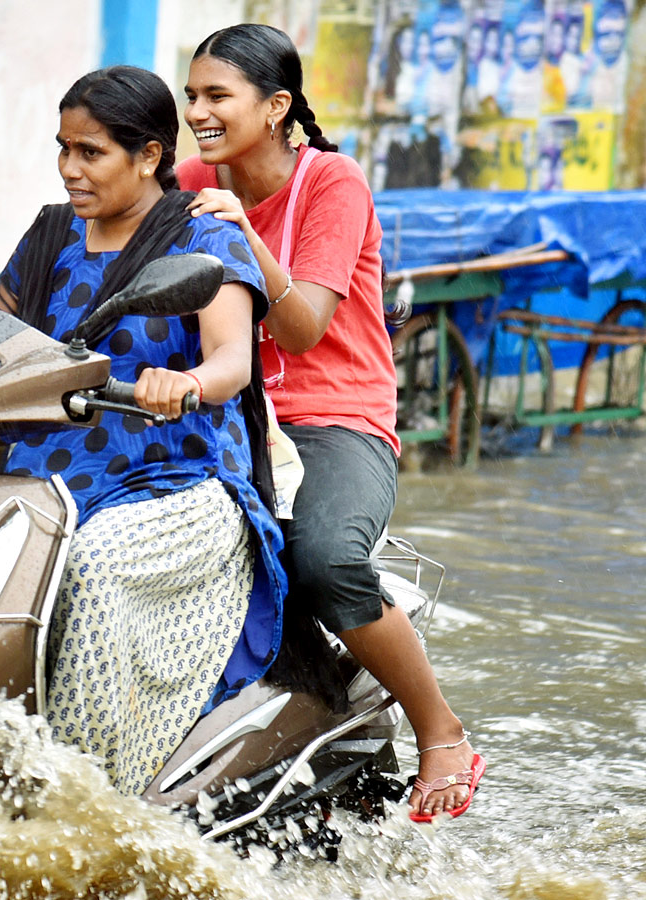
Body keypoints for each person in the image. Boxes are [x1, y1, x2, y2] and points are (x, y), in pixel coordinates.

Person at [178, 23, 485, 822]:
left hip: (332, 418)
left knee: (321, 557)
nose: (199, 113)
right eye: (192, 98)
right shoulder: (185, 183)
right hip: (224, 412)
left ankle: (440, 729)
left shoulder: (331, 183)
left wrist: (241, 231)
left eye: (218, 96)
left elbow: (306, 326)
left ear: (276, 107)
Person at [0, 65, 286, 795]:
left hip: (175, 482)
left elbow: (231, 362)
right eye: (63, 149)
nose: (69, 169)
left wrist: (184, 383)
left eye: (90, 153)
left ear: (149, 156)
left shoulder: (203, 233)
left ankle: (82, 788)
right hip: (44, 477)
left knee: (86, 564)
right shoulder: (50, 232)